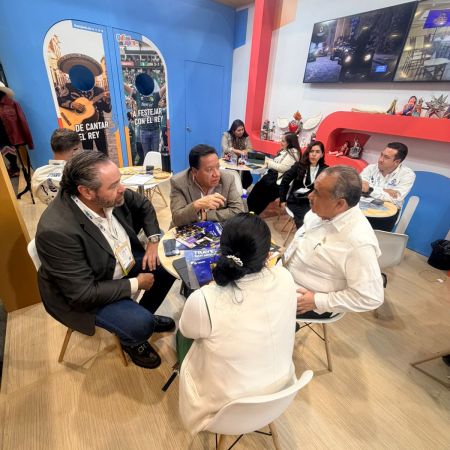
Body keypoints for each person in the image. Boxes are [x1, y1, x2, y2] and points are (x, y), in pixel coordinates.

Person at [35, 151, 176, 369]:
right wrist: (136, 283)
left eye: (119, 180)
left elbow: (143, 205)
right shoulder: (56, 231)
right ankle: (133, 339)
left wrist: (153, 241)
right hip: (89, 291)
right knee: (141, 325)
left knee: (166, 264)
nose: (122, 188)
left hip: (117, 262)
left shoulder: (109, 194)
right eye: (113, 185)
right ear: (86, 192)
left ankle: (143, 313)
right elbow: (82, 294)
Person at [178, 213, 297, 433]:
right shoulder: (285, 277)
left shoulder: (204, 299)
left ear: (221, 250)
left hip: (226, 410)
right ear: (267, 255)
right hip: (282, 390)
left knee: (184, 336)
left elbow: (186, 331)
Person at [283, 166, 384, 318]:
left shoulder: (358, 241)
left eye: (317, 193)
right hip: (285, 278)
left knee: (253, 310)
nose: (310, 196)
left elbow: (371, 297)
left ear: (340, 204)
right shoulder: (320, 212)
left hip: (307, 300)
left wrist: (318, 301)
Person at [170, 144, 245, 226]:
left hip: (217, 230)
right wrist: (196, 205)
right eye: (209, 170)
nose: (217, 174)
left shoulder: (227, 179)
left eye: (217, 167)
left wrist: (206, 215)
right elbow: (177, 219)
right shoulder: (179, 182)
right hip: (187, 230)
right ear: (194, 172)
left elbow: (239, 211)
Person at [56, 54, 112, 155]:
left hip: (98, 124)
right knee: (86, 151)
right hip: (82, 125)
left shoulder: (99, 91)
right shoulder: (69, 88)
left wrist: (107, 100)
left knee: (103, 151)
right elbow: (59, 100)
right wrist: (72, 104)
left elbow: (107, 110)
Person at [360, 142, 416, 231]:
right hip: (362, 208)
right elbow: (359, 187)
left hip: (386, 215)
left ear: (397, 162)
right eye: (381, 155)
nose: (380, 160)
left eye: (386, 157)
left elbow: (395, 199)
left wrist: (369, 190)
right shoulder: (371, 168)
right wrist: (384, 190)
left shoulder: (407, 175)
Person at [247, 132, 300, 215]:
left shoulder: (293, 153)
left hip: (275, 183)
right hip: (271, 178)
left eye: (283, 141)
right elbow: (277, 163)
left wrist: (268, 162)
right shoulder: (286, 151)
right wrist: (268, 161)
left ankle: (252, 215)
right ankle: (251, 213)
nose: (280, 142)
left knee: (257, 198)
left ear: (290, 143)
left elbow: (282, 168)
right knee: (253, 196)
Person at [279, 140, 328, 229]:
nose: (314, 154)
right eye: (311, 151)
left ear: (322, 155)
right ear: (308, 153)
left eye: (317, 152)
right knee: (305, 221)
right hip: (297, 200)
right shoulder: (299, 166)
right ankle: (303, 235)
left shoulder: (325, 170)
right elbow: (284, 182)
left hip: (314, 201)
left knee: (323, 220)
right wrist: (282, 200)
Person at [31, 128, 81, 205]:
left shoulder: (38, 173)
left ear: (52, 149)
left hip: (54, 210)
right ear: (75, 150)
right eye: (78, 148)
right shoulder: (75, 176)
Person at [221, 119, 253, 189]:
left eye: (242, 129)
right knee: (234, 179)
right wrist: (237, 151)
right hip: (229, 161)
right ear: (233, 130)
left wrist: (244, 151)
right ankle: (234, 191)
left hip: (242, 161)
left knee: (248, 180)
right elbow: (225, 149)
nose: (241, 132)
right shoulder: (226, 135)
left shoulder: (245, 137)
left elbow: (250, 149)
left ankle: (241, 191)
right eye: (239, 130)